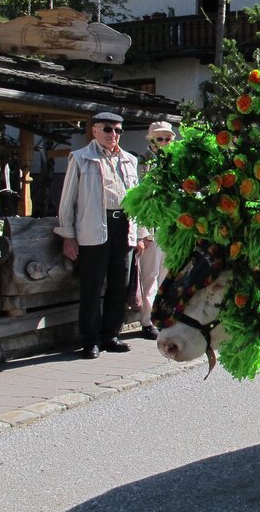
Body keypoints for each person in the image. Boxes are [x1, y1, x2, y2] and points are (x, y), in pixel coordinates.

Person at [55, 112, 146, 358]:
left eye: (118, 130)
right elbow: (67, 201)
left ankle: (111, 335)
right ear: (94, 130)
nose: (113, 134)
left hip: (124, 226)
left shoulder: (129, 160)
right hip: (94, 226)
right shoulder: (81, 158)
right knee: (92, 286)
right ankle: (90, 340)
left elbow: (138, 200)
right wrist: (68, 235)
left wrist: (141, 235)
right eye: (107, 129)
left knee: (120, 284)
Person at [133, 121, 177, 340]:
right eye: (160, 138)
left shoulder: (174, 161)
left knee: (168, 275)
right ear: (151, 139)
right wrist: (142, 233)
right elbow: (139, 197)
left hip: (171, 226)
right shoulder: (141, 161)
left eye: (168, 139)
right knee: (150, 275)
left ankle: (164, 317)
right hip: (151, 225)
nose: (164, 142)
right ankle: (147, 320)